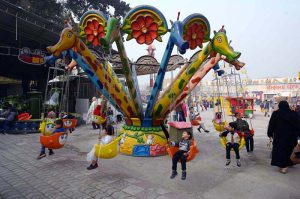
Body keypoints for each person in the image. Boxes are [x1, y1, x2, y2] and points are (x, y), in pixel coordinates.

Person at [267, 101, 300, 174]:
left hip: (280, 136)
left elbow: (271, 124)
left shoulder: (276, 113)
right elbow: (298, 124)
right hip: (291, 136)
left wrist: (270, 133)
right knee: (289, 149)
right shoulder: (294, 113)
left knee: (281, 151)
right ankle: (289, 162)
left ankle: (284, 167)